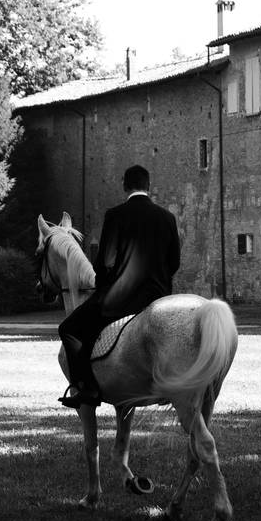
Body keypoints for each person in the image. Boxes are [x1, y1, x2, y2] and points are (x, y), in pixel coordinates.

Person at [57, 165, 180, 409]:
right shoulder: (167, 217)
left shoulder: (115, 215)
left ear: (125, 185)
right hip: (159, 298)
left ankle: (87, 388)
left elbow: (106, 262)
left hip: (122, 298)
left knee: (69, 329)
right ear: (149, 186)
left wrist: (102, 287)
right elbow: (174, 261)